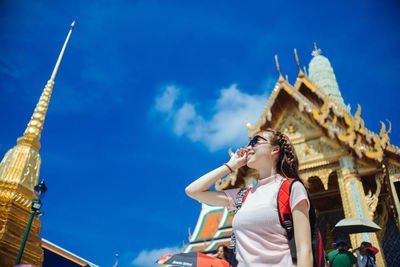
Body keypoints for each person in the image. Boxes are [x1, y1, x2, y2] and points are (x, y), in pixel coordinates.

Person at [185, 129, 313, 267]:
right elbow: (193, 191)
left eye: (255, 141)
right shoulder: (242, 196)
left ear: (275, 150)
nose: (248, 147)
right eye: (249, 143)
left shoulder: (291, 188)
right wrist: (230, 166)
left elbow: (304, 251)